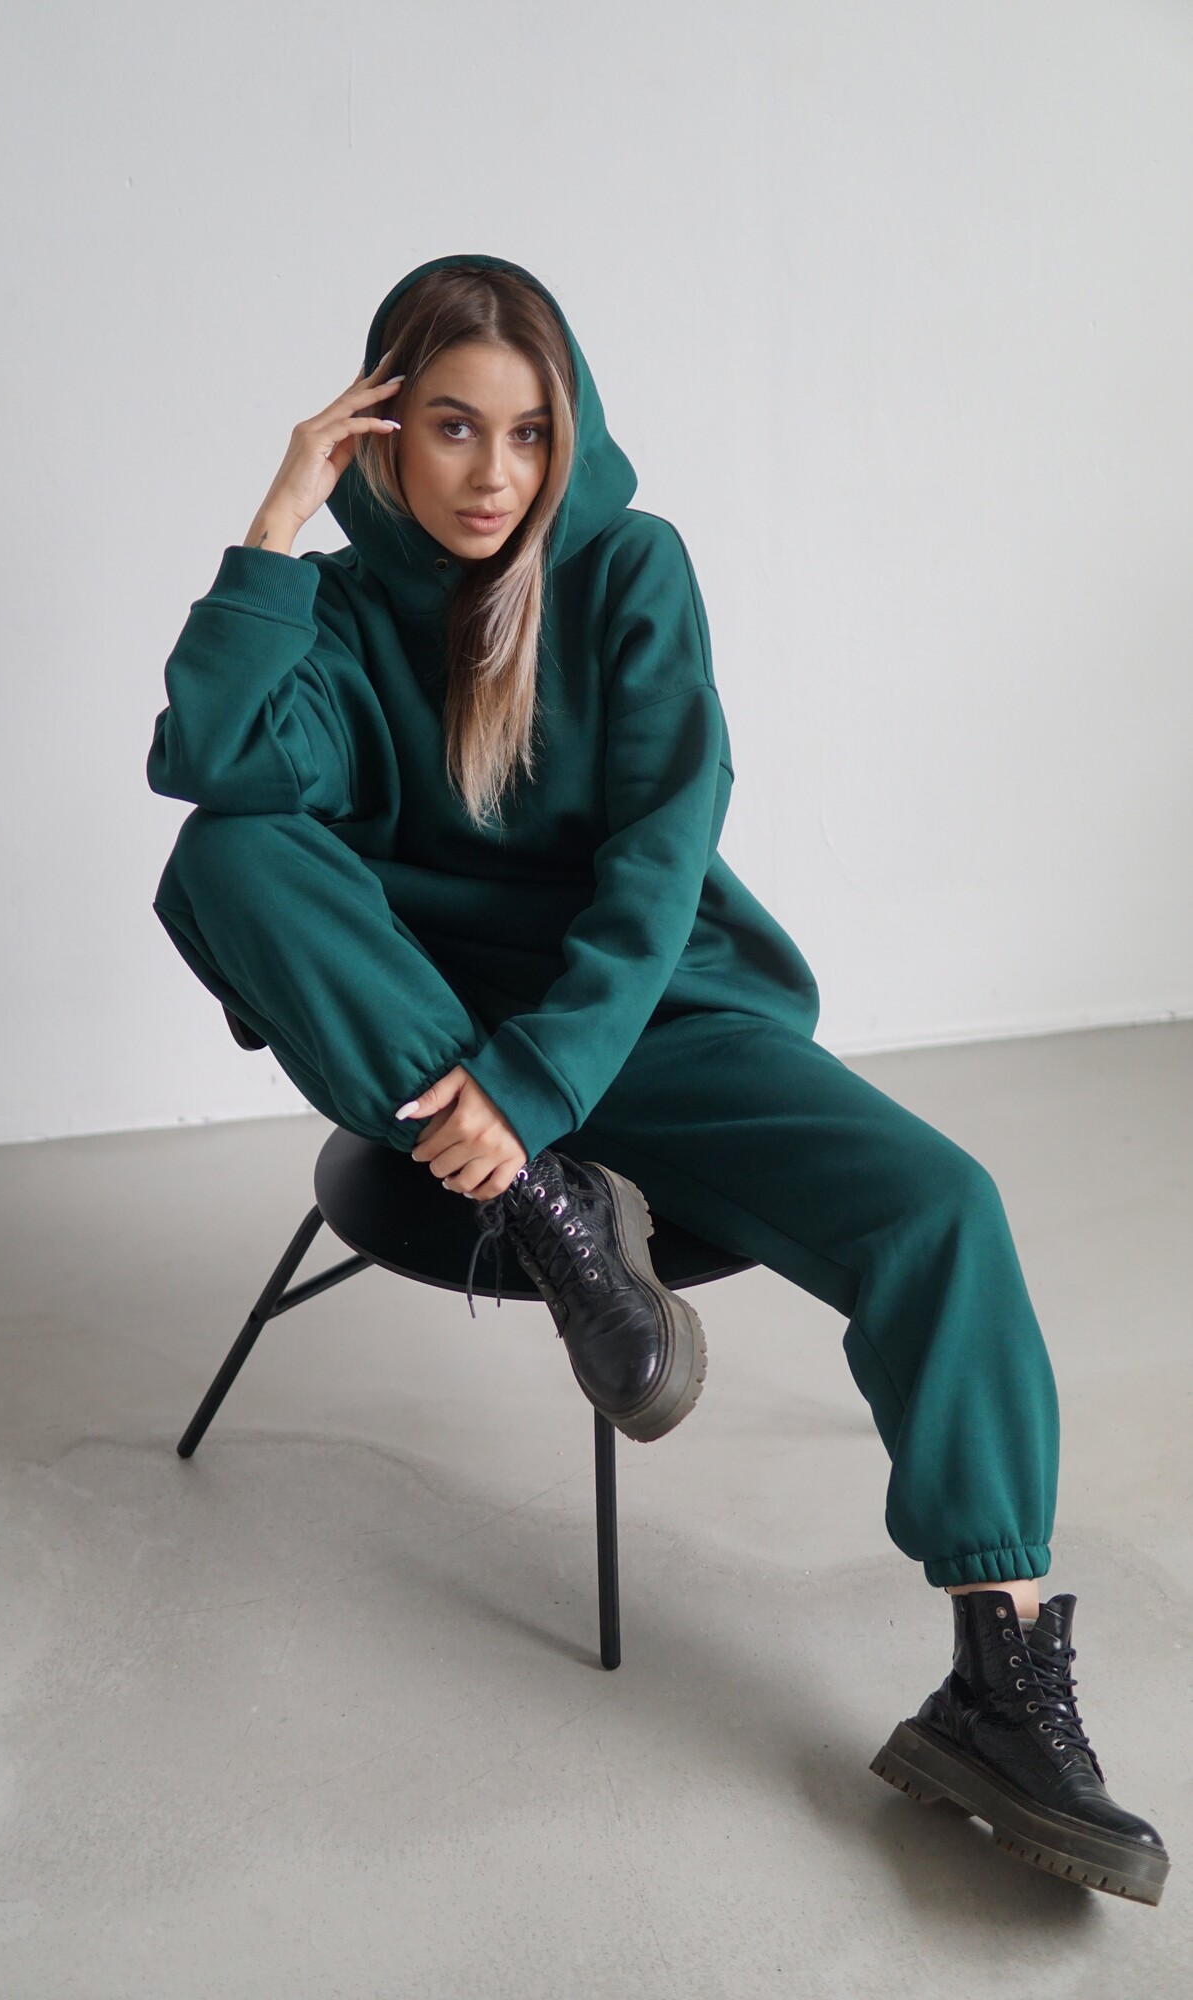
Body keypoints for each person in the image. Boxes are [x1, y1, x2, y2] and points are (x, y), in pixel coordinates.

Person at [144, 251, 1169, 1905]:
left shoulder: (628, 568)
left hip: (646, 1020)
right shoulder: (328, 617)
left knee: (940, 1208)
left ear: (571, 436)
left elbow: (658, 855)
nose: (492, 475)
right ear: (381, 432)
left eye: (528, 433)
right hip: (431, 1042)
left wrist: (542, 1077)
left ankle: (997, 1679)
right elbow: (203, 760)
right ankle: (549, 1215)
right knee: (226, 850)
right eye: (452, 427)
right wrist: (274, 526)